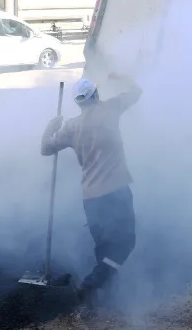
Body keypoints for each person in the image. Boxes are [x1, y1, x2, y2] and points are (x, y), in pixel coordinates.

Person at [41, 74, 142, 305]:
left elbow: (46, 149)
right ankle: (90, 285)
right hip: (116, 192)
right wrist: (122, 77)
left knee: (104, 246)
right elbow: (136, 92)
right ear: (96, 95)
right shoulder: (110, 109)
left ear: (78, 102)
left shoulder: (71, 126)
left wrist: (51, 127)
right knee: (125, 244)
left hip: (91, 198)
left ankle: (103, 294)